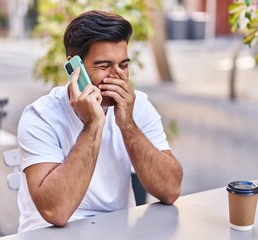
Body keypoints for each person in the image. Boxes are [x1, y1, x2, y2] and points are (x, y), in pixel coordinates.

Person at [17, 10, 183, 232]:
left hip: (115, 229)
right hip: (48, 233)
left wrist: (128, 125)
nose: (117, 76)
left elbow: (170, 189)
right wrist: (93, 125)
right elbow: (55, 211)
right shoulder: (40, 116)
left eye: (123, 65)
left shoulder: (137, 105)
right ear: (74, 67)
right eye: (104, 66)